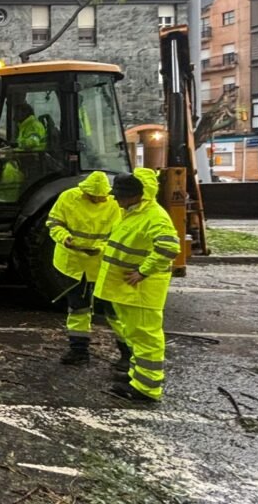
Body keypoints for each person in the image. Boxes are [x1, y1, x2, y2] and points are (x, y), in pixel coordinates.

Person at [93, 168, 180, 404]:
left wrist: (143, 272)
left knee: (145, 338)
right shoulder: (134, 213)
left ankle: (146, 389)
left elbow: (169, 248)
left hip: (141, 291)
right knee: (134, 335)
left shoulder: (154, 216)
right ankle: (138, 380)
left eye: (120, 195)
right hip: (127, 290)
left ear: (137, 194)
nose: (116, 199)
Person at [46, 171, 123, 366]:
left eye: (102, 197)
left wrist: (100, 248)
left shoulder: (115, 204)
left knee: (113, 312)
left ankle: (127, 355)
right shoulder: (68, 197)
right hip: (74, 264)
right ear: (85, 192)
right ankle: (79, 351)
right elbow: (54, 223)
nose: (98, 200)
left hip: (102, 264)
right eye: (94, 197)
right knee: (78, 308)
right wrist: (64, 237)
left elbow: (120, 236)